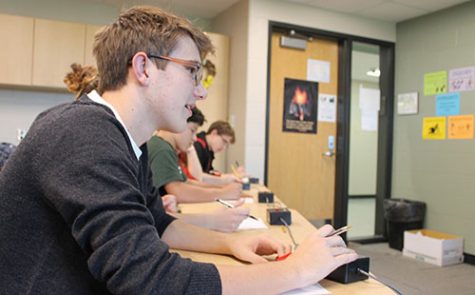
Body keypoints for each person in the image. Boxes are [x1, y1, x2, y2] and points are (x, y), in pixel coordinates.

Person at [0, 6, 357, 294]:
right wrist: (297, 270)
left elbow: (157, 224)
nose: (201, 92)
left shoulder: (125, 139)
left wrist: (229, 245)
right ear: (143, 68)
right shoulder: (82, 133)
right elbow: (149, 279)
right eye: (192, 72)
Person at [148, 108, 242, 203]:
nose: (194, 138)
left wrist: (223, 188)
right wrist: (223, 193)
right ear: (178, 122)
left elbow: (187, 182)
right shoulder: (162, 149)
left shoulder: (166, 147)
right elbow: (179, 192)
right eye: (192, 130)